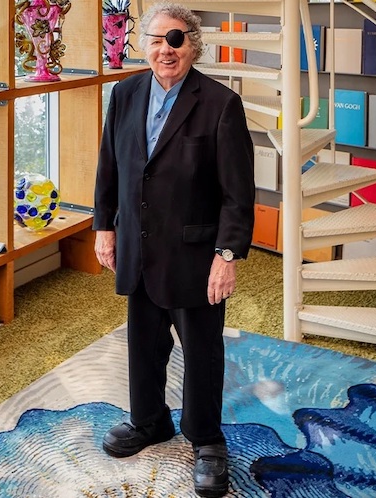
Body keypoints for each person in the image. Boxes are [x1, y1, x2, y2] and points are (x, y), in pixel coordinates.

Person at [92, 2, 255, 497]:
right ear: (144, 45)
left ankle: (206, 440)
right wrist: (104, 227)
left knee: (202, 351)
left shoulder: (221, 104)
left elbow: (237, 191)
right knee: (143, 342)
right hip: (139, 248)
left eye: (178, 39)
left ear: (194, 45)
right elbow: (110, 167)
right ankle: (150, 422)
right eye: (158, 39)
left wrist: (226, 256)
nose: (168, 49)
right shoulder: (124, 93)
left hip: (195, 255)